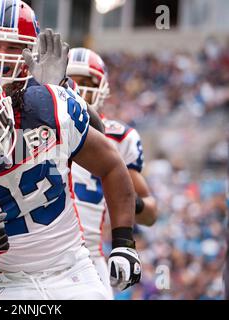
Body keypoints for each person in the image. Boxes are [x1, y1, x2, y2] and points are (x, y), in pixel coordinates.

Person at [0, 62, 141, 299]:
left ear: (4, 103)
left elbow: (110, 166)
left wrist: (123, 243)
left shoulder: (46, 110)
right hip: (4, 281)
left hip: (72, 269)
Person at [67, 47, 158, 296]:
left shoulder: (118, 137)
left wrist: (125, 197)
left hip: (87, 258)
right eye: (72, 80)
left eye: (88, 82)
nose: (80, 89)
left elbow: (150, 213)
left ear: (103, 88)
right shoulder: (36, 126)